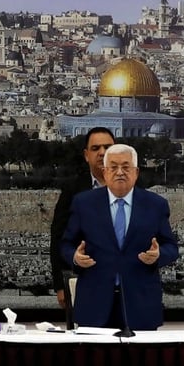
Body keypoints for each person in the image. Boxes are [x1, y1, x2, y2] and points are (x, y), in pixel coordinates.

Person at [61, 143, 179, 330]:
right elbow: (66, 244)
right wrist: (75, 257)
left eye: (126, 167)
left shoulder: (156, 205)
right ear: (105, 172)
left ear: (136, 172)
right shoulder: (84, 204)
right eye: (114, 167)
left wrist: (158, 255)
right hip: (95, 303)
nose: (120, 172)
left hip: (141, 304)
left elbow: (171, 247)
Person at [50, 127, 115, 314]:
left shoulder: (133, 188)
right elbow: (58, 237)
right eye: (96, 148)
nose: (102, 153)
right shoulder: (73, 190)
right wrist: (60, 286)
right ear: (86, 155)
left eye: (107, 147)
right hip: (82, 281)